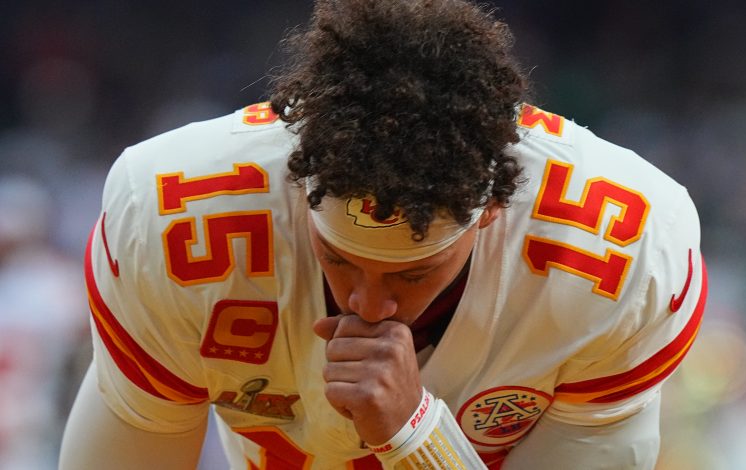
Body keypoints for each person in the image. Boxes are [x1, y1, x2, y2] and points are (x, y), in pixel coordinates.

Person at [59, 0, 707, 468]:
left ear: (489, 214)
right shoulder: (167, 214)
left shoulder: (623, 251)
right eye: (338, 259)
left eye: (412, 272)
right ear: (296, 187)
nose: (368, 307)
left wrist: (413, 432)